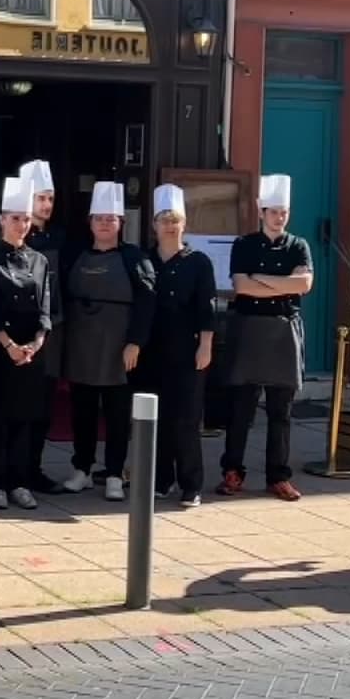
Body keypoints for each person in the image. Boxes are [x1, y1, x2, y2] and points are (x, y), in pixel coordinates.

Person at [60, 182, 155, 503]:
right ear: (90, 223)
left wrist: (135, 343)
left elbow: (146, 302)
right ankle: (82, 470)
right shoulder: (75, 255)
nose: (104, 223)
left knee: (117, 414)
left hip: (119, 346)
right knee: (82, 412)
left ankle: (115, 473)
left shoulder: (134, 258)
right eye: (98, 218)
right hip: (82, 343)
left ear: (120, 224)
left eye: (110, 219)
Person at [221, 173, 312, 502]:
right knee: (241, 408)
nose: (279, 217)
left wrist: (260, 278)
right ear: (261, 211)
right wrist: (280, 282)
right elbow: (241, 287)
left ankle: (278, 475)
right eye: (273, 211)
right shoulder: (244, 244)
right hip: (250, 328)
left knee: (281, 410)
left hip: (284, 328)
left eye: (284, 212)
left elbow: (303, 285)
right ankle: (232, 470)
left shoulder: (298, 245)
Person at [0, 175, 52, 511]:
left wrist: (36, 343)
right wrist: (9, 346)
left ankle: (20, 482)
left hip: (30, 354)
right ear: (1, 220)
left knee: (25, 419)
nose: (21, 225)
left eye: (25, 219)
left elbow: (46, 309)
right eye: (14, 218)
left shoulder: (40, 260)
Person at [142, 185, 216, 508]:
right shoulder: (145, 260)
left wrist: (206, 346)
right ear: (154, 225)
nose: (170, 226)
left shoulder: (199, 263)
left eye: (176, 220)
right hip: (152, 351)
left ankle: (191, 484)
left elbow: (207, 309)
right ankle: (161, 479)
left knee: (186, 419)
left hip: (188, 351)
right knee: (157, 418)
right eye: (164, 220)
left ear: (184, 224)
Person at [20, 159, 68, 493]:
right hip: (21, 331)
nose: (46, 205)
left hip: (53, 330)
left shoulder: (61, 237)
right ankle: (13, 470)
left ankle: (33, 469)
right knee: (19, 405)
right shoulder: (16, 237)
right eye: (40, 198)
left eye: (50, 198)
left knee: (43, 406)